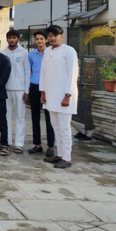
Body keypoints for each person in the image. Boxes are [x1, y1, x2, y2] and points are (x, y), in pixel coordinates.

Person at [40, 25, 78, 169]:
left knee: (64, 128)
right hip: (51, 95)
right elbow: (43, 73)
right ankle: (60, 154)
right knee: (56, 127)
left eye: (54, 35)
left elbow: (72, 74)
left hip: (64, 96)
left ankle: (67, 158)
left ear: (61, 36)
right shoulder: (47, 51)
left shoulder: (69, 51)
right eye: (50, 36)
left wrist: (68, 95)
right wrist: (43, 92)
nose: (52, 38)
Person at [2, 29, 30, 154]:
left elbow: (27, 72)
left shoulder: (24, 53)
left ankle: (19, 143)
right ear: (7, 39)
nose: (12, 40)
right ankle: (6, 142)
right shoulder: (3, 53)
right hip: (5, 89)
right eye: (10, 37)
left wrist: (27, 91)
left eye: (14, 37)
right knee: (6, 116)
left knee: (20, 117)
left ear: (18, 39)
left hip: (20, 90)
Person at [28, 30, 55, 157]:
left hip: (48, 88)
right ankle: (37, 144)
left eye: (41, 39)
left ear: (46, 40)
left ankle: (50, 146)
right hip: (34, 87)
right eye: (37, 39)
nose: (39, 41)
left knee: (49, 118)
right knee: (35, 117)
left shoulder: (50, 53)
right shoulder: (31, 55)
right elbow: (30, 70)